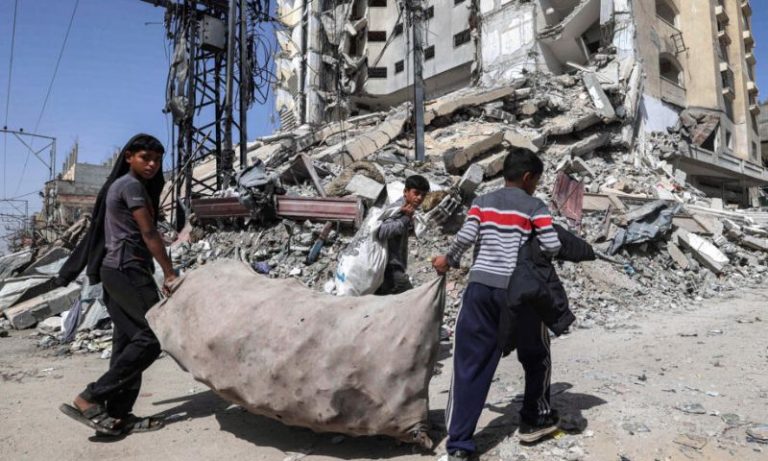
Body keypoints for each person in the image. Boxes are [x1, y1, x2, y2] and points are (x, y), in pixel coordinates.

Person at [432, 148, 562, 459]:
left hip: (479, 291)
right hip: (518, 294)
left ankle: (459, 445)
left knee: (469, 365)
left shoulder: (482, 202)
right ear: (528, 177)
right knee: (536, 355)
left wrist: (448, 260)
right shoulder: (535, 206)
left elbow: (465, 238)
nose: (536, 187)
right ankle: (534, 420)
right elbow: (552, 244)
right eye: (536, 181)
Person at [57, 133, 176, 436]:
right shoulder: (131, 186)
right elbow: (149, 233)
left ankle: (117, 415)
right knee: (152, 336)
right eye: (145, 158)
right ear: (129, 157)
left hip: (114, 270)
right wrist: (169, 273)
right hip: (127, 269)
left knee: (127, 342)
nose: (152, 164)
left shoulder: (121, 185)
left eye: (157, 160)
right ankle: (91, 397)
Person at [375, 174, 430, 295]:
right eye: (416, 193)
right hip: (389, 269)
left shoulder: (408, 210)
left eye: (423, 195)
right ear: (405, 192)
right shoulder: (398, 209)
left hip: (392, 269)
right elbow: (382, 231)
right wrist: (405, 219)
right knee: (412, 299)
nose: (420, 198)